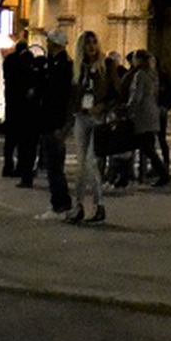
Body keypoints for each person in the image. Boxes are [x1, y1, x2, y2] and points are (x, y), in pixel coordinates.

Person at [67, 31, 118, 224]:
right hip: (81, 117)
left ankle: (99, 205)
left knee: (90, 162)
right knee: (81, 165)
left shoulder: (107, 65)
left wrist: (102, 106)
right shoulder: (77, 68)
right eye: (87, 43)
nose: (91, 46)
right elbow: (71, 94)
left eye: (94, 42)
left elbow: (116, 93)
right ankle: (78, 206)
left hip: (98, 118)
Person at [36, 30, 74, 219]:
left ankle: (60, 205)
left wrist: (62, 126)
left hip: (54, 122)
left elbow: (58, 98)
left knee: (54, 167)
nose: (47, 44)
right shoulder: (56, 64)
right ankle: (61, 203)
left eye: (49, 42)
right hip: (51, 121)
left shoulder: (62, 66)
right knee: (53, 166)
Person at [123, 50, 171, 186]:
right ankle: (156, 173)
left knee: (144, 146)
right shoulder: (152, 74)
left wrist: (128, 109)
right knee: (148, 146)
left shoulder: (140, 75)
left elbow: (136, 96)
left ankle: (162, 174)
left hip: (142, 113)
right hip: (152, 111)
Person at [2, 39, 39, 182]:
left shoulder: (9, 61)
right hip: (24, 107)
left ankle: (7, 166)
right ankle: (21, 167)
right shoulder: (27, 60)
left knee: (10, 140)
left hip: (11, 103)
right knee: (24, 141)